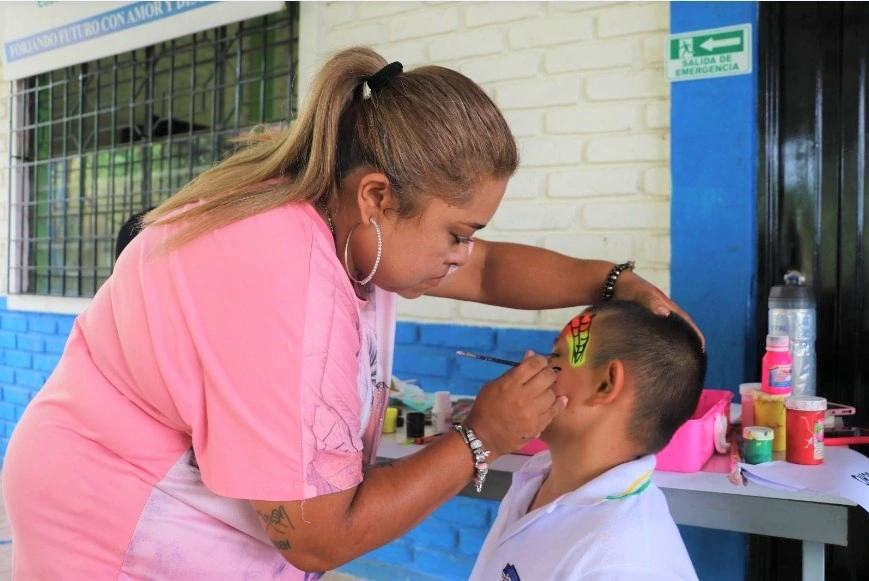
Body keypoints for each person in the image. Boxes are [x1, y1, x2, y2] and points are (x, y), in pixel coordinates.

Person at [3, 47, 701, 579]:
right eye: (457, 232)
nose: (465, 253)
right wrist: (479, 438)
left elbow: (488, 268)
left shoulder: (347, 223)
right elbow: (312, 534)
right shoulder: (279, 273)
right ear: (376, 195)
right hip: (113, 517)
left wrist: (614, 281)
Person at [471, 300, 706, 581]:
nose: (534, 364)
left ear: (606, 384)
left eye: (556, 358)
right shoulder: (538, 476)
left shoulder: (619, 566)